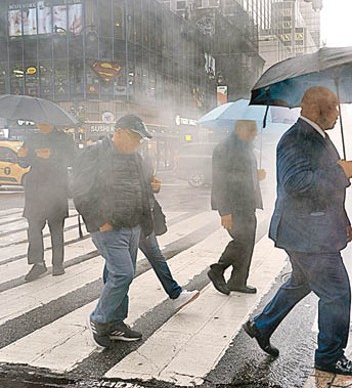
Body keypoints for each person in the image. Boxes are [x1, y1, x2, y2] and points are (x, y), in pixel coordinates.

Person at [243, 86, 352, 376]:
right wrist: (340, 173)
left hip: (312, 230)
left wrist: (344, 219)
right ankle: (329, 356)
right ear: (315, 108)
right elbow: (295, 183)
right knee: (337, 293)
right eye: (334, 107)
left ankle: (261, 326)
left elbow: (328, 192)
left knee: (300, 282)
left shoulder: (320, 138)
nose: (338, 113)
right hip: (308, 234)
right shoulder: (295, 139)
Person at [71, 114, 153, 349]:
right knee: (122, 274)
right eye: (136, 137)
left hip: (132, 225)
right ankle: (100, 318)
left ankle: (115, 322)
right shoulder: (94, 153)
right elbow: (80, 189)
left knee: (114, 274)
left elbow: (142, 189)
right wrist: (99, 221)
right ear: (119, 132)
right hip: (109, 227)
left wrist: (146, 220)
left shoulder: (135, 157)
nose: (139, 142)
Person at [208, 120, 265, 295]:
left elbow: (243, 174)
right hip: (234, 205)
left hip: (248, 203)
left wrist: (257, 176)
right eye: (252, 130)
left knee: (247, 243)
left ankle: (238, 281)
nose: (255, 134)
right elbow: (219, 181)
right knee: (241, 241)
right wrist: (224, 211)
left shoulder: (246, 148)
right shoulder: (224, 148)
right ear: (240, 128)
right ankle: (217, 269)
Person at [139, 150, 200, 310]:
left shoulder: (140, 155)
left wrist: (154, 186)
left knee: (151, 257)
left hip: (144, 216)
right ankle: (106, 312)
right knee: (121, 268)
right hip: (131, 218)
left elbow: (145, 184)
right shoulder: (119, 158)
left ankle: (176, 293)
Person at [18, 122, 76, 281]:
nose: (40, 126)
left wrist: (53, 155)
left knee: (56, 229)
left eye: (43, 123)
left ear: (51, 122)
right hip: (35, 190)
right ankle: (38, 263)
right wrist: (22, 156)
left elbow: (73, 159)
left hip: (56, 188)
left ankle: (58, 264)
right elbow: (24, 162)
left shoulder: (64, 138)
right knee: (34, 229)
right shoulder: (32, 137)